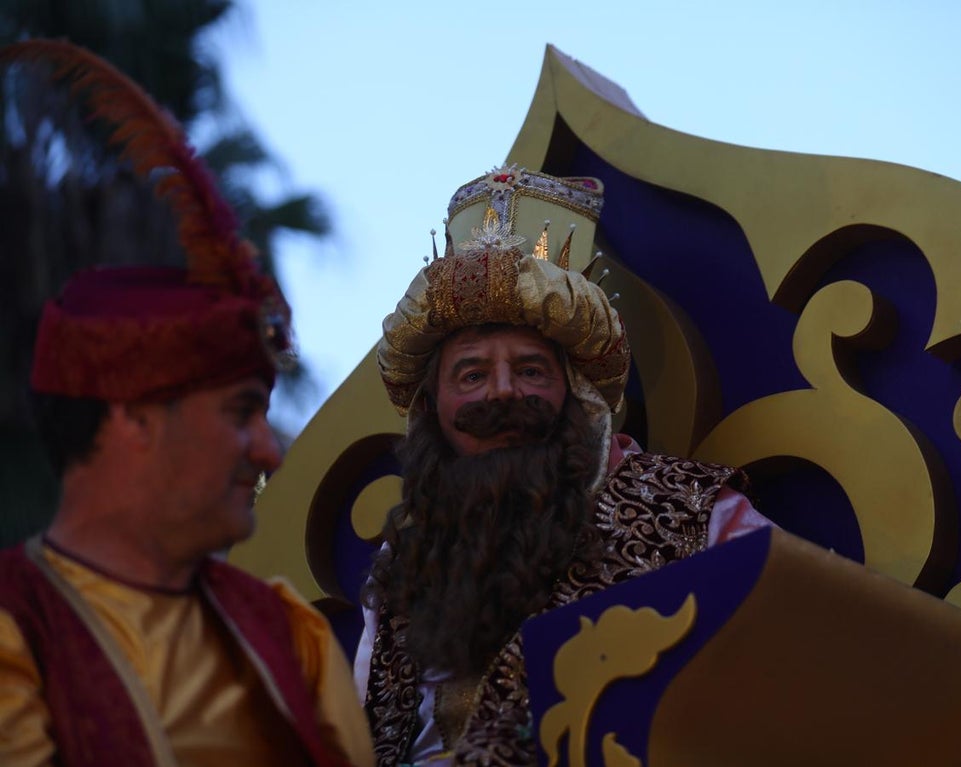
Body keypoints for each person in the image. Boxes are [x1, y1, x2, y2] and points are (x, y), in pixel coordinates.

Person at [0, 40, 373, 766]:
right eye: (239, 412)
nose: (269, 450)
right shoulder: (17, 625)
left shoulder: (292, 635)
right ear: (134, 415)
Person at [355, 165, 771, 765]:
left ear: (578, 395)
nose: (501, 393)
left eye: (530, 370)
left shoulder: (698, 514)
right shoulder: (399, 573)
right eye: (472, 374)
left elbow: (794, 676)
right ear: (431, 408)